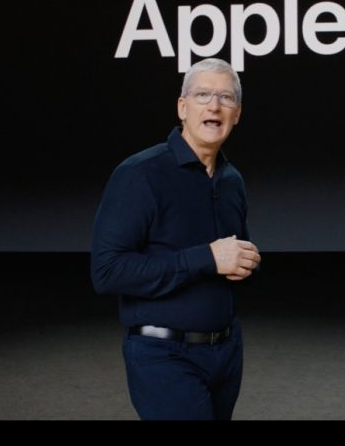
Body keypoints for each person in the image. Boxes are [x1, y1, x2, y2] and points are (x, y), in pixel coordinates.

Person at [91, 57, 261, 420]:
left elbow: (229, 259)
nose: (214, 105)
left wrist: (245, 262)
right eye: (203, 95)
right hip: (163, 355)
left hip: (226, 353)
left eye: (226, 98)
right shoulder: (140, 174)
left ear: (237, 113)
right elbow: (107, 271)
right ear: (182, 107)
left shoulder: (232, 180)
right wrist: (207, 259)